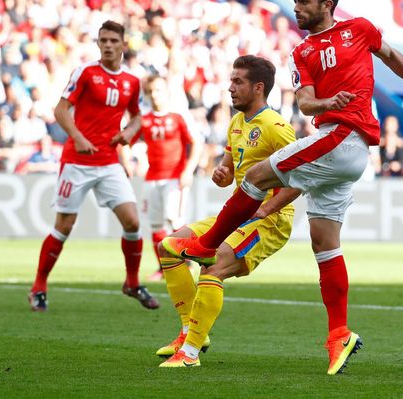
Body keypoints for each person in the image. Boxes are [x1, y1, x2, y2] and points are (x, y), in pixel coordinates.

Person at [162, 0, 403, 375]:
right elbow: (306, 104)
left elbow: (391, 55)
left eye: (304, 2)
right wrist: (328, 100)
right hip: (341, 148)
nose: (297, 9)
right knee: (324, 242)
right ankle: (339, 333)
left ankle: (206, 245)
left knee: (256, 177)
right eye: (295, 3)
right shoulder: (303, 53)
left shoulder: (358, 30)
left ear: (327, 5)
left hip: (343, 137)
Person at [156, 55, 301, 368]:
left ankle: (190, 355)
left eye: (238, 82)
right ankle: (189, 332)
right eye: (231, 80)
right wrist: (221, 173)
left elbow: (304, 177)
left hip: (269, 222)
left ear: (258, 88)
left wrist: (268, 209)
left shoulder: (276, 128)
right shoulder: (237, 123)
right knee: (168, 247)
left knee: (213, 267)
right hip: (237, 215)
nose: (230, 88)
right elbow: (227, 169)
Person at [28, 20, 159, 312]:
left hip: (109, 161)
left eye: (114, 40)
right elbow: (60, 109)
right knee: (64, 226)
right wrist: (77, 137)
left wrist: (129, 133)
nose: (108, 45)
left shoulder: (132, 81)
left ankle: (132, 282)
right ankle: (39, 287)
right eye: (103, 40)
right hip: (77, 161)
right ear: (98, 44)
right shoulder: (86, 72)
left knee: (133, 222)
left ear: (124, 45)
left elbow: (138, 116)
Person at [136, 74, 202, 280]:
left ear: (166, 92)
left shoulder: (178, 116)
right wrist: (131, 161)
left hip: (175, 177)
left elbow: (197, 143)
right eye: (151, 91)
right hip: (151, 178)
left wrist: (188, 170)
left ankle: (188, 264)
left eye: (158, 90)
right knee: (155, 226)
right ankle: (163, 268)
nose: (155, 95)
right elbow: (127, 142)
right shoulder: (143, 119)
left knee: (175, 220)